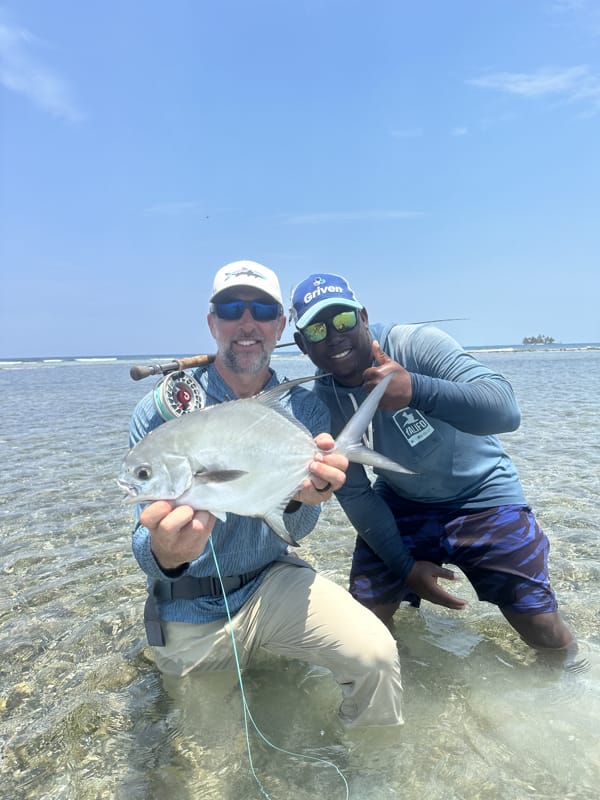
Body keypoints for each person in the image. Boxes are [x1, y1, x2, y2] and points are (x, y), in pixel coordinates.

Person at [128, 260, 403, 727]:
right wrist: (167, 552)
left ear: (279, 326)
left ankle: (380, 776)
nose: (247, 322)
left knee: (375, 656)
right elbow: (143, 545)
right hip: (189, 605)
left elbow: (296, 527)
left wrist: (301, 498)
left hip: (271, 580)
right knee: (207, 763)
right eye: (231, 308)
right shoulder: (163, 412)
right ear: (213, 323)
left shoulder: (303, 405)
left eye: (262, 310)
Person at [290, 272, 574, 653]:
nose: (334, 335)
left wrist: (417, 390)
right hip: (401, 497)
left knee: (541, 628)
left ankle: (575, 681)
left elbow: (506, 409)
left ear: (364, 316)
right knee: (364, 623)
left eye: (342, 320)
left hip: (482, 492)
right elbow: (356, 495)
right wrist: (406, 568)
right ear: (301, 344)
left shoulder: (414, 344)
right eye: (317, 330)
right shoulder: (322, 401)